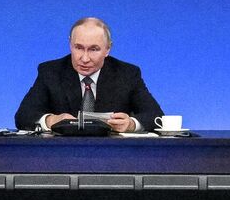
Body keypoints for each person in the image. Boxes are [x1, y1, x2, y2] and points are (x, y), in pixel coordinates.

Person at [15, 17, 163, 133]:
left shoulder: (127, 74)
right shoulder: (50, 72)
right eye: (79, 48)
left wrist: (131, 124)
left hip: (112, 155)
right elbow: (23, 116)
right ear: (70, 44)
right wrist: (50, 120)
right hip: (62, 154)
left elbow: (156, 116)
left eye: (94, 49)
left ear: (108, 49)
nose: (85, 58)